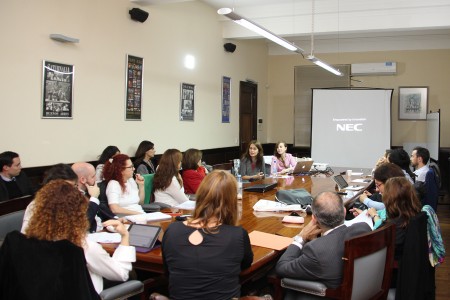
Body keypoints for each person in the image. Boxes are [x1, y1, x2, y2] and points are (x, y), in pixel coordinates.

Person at [22, 180, 136, 294]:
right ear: (79, 212)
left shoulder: (30, 241)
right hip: (87, 294)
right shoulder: (84, 246)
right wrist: (125, 236)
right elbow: (121, 274)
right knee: (132, 275)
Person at [162, 170, 253, 300]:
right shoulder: (238, 235)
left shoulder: (172, 231)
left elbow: (167, 271)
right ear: (231, 201)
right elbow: (245, 266)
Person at [276, 191, 371, 289]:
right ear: (344, 211)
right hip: (366, 290)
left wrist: (301, 237)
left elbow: (281, 268)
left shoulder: (316, 250)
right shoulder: (364, 228)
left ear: (314, 219)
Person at [21, 163, 79, 233]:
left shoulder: (71, 201)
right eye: (66, 188)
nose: (72, 191)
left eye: (74, 186)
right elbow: (27, 235)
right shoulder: (36, 206)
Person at [72, 162, 118, 232]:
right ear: (83, 180)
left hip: (103, 231)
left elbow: (102, 209)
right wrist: (94, 197)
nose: (96, 179)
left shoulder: (88, 191)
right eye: (93, 176)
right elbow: (84, 223)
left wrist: (115, 219)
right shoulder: (71, 197)